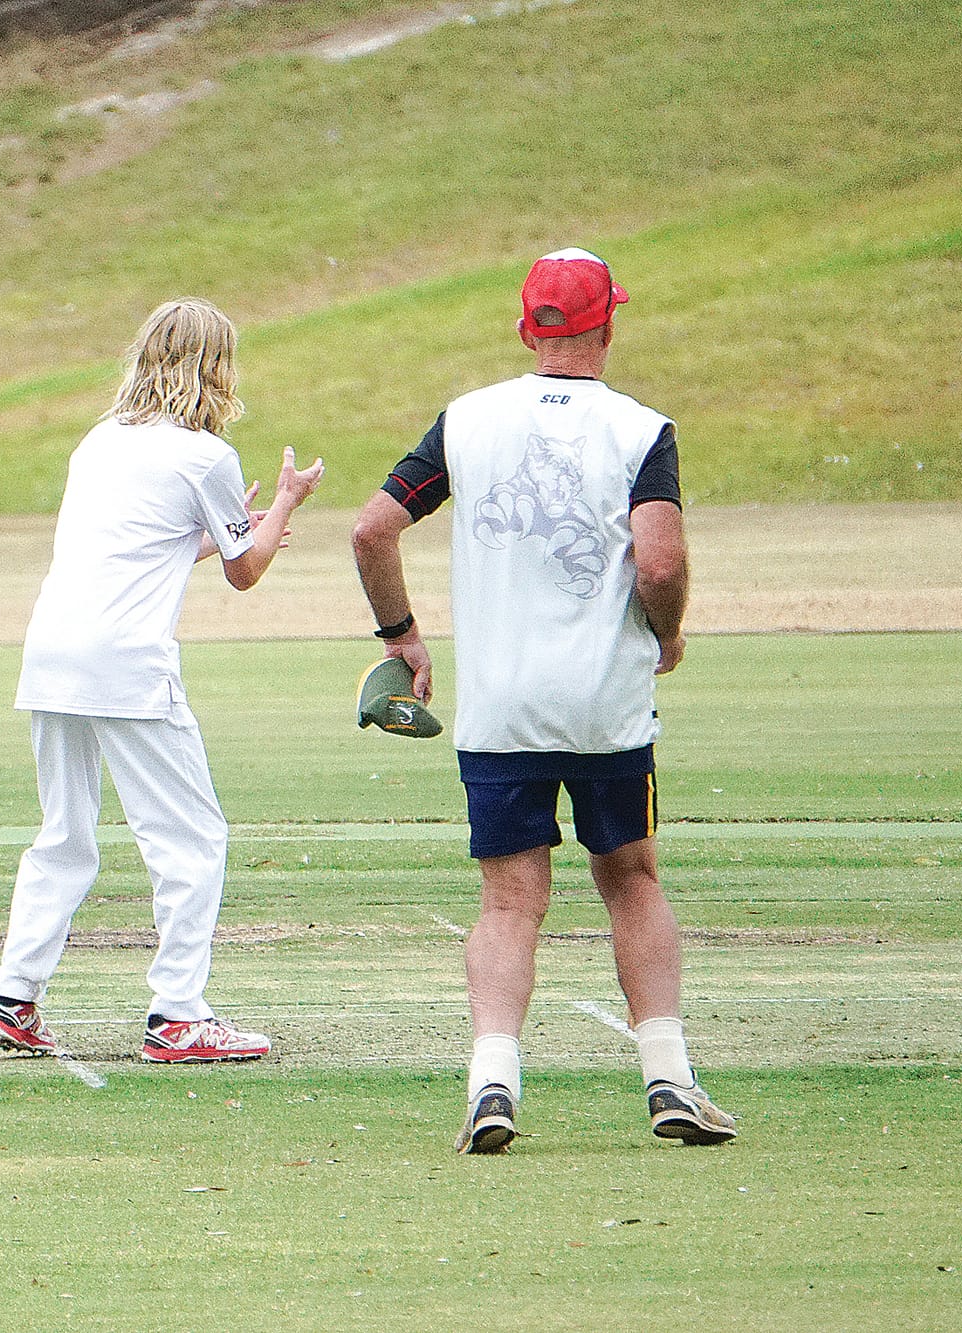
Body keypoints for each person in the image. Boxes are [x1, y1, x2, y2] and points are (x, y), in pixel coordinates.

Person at [351, 248, 737, 1152]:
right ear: (609, 323)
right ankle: (670, 1078)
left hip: (501, 709)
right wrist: (665, 628)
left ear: (529, 328)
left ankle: (492, 1084)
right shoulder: (643, 429)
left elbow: (372, 527)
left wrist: (401, 635)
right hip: (605, 706)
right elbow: (662, 560)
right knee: (631, 879)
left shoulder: (467, 421)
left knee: (508, 903)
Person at [0, 297, 322, 1063]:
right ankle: (177, 1014)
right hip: (128, 660)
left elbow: (152, 548)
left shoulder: (99, 441)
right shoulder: (205, 455)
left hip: (52, 652)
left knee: (64, 835)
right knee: (192, 839)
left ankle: (14, 996)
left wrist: (242, 527)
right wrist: (285, 504)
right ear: (215, 368)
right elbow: (246, 571)